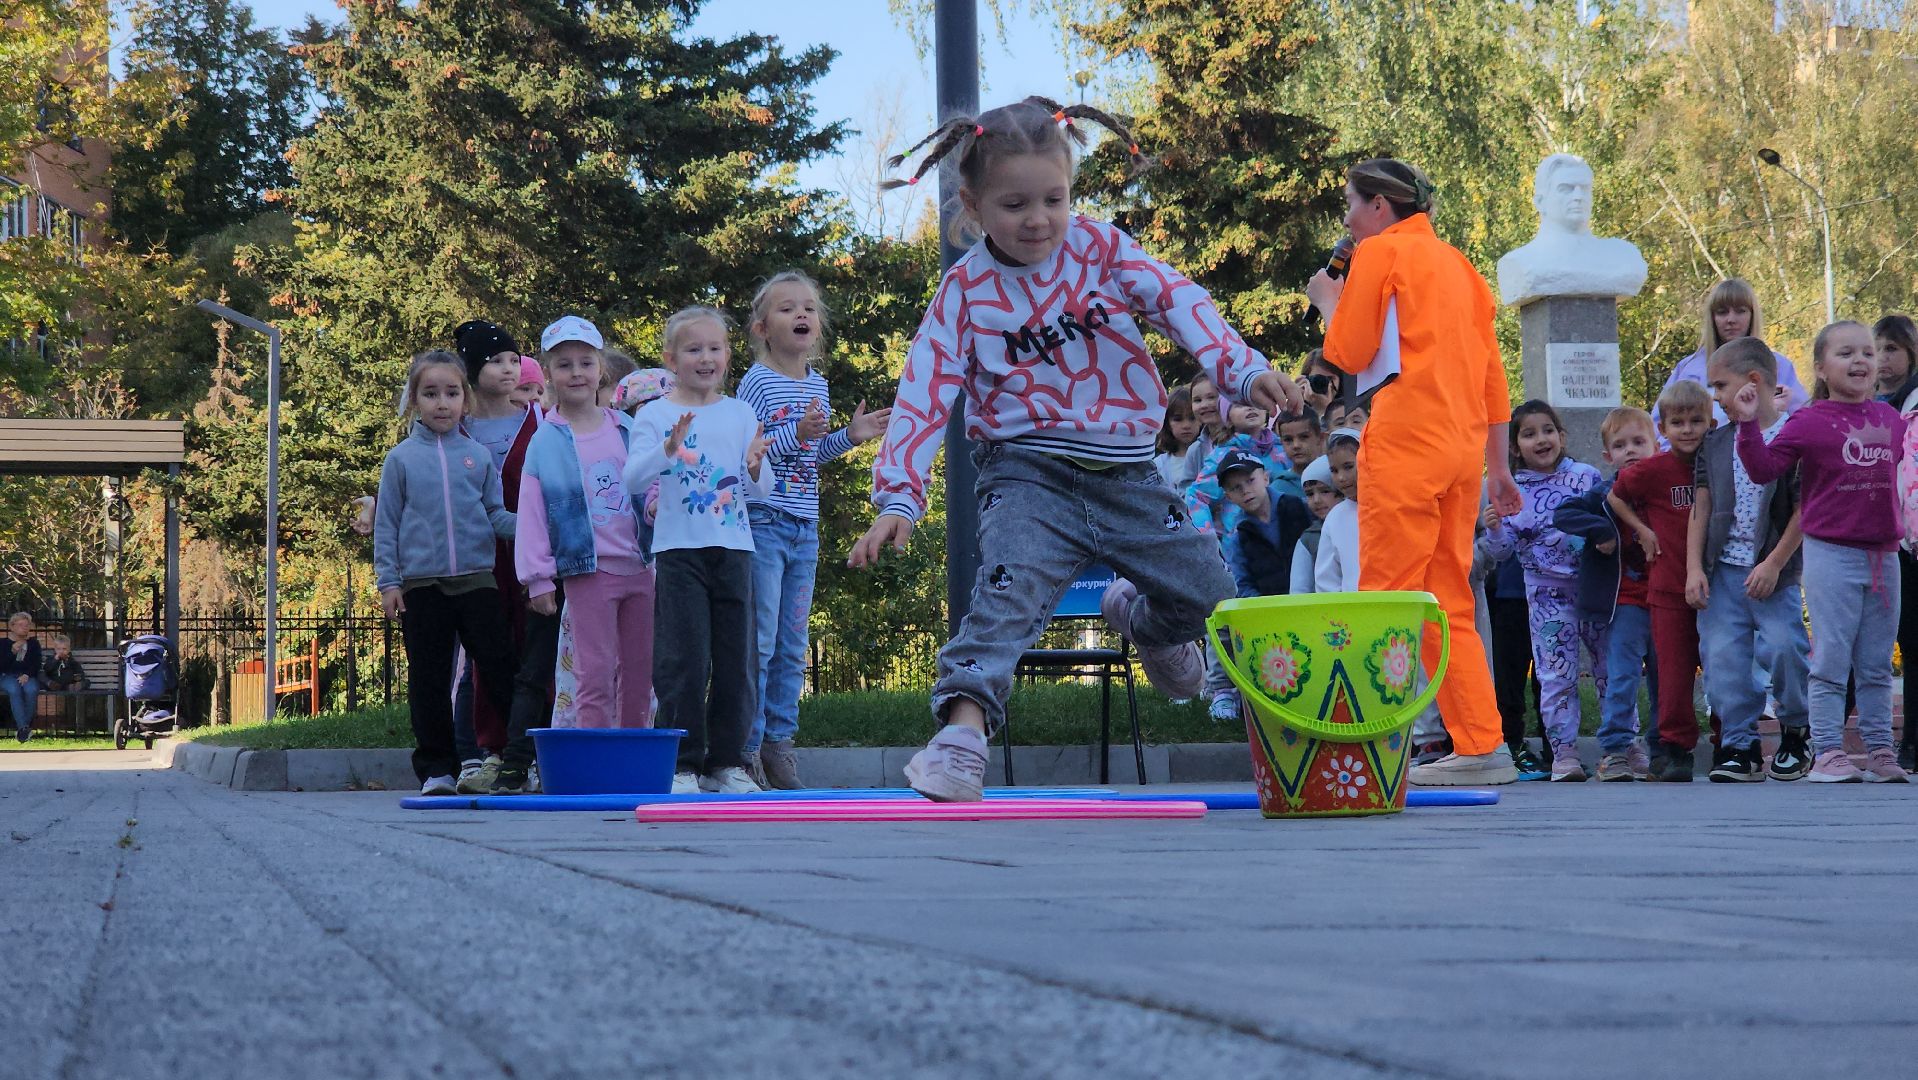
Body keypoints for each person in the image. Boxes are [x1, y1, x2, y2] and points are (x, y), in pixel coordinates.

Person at [850, 96, 1301, 802]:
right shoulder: (964, 293)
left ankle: (1146, 625)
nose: (1038, 219)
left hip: (1128, 473)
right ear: (972, 204)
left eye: (1053, 200)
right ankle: (961, 740)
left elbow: (1179, 301)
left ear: (1071, 191)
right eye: (1014, 204)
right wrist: (899, 499)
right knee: (1007, 593)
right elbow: (923, 394)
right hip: (1026, 474)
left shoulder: (1100, 249)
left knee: (1212, 594)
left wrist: (1241, 369)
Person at [1306, 157, 1521, 786]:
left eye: (1351, 204)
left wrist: (1328, 299)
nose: (1348, 218)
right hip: (1460, 451)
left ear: (1379, 205)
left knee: (1384, 599)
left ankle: (1365, 750)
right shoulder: (1460, 266)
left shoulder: (1380, 252)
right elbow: (1493, 379)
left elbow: (1349, 351)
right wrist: (1499, 468)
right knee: (1448, 601)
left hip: (1405, 443)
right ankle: (1482, 746)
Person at [738, 270, 891, 789]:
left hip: (804, 526)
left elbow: (811, 454)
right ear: (762, 328)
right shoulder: (756, 383)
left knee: (792, 643)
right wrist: (795, 432)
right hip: (764, 521)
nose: (801, 314)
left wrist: (850, 435)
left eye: (808, 308)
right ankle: (746, 749)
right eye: (787, 308)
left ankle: (780, 746)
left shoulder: (817, 384)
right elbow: (750, 456)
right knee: (760, 642)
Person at [1737, 321, 1906, 782]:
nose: (1860, 361)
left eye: (1867, 352)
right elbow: (1762, 469)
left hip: (1884, 555)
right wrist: (1748, 423)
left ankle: (1880, 751)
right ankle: (1828, 752)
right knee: (1831, 657)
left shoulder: (1891, 419)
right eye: (1845, 353)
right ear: (1820, 368)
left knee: (1876, 663)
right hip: (1831, 554)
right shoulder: (1808, 421)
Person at [625, 306, 774, 794]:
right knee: (683, 660)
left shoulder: (740, 413)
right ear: (671, 359)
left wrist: (755, 466)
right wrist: (668, 448)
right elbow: (632, 480)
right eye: (693, 349)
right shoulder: (654, 415)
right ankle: (682, 765)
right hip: (679, 552)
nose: (705, 358)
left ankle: (726, 763)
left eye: (714, 348)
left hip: (734, 550)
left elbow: (762, 490)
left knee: (736, 661)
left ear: (727, 355)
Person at [373, 351, 520, 795]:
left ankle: (520, 759)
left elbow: (496, 514)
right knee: (429, 679)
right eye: (431, 393)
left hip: (477, 581)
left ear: (465, 400)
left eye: (452, 393)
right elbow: (387, 524)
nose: (442, 403)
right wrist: (389, 582)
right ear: (414, 400)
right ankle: (437, 769)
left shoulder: (477, 456)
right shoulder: (400, 459)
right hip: (422, 586)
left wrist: (536, 528)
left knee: (499, 667)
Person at [515, 316, 655, 741]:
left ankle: (633, 757)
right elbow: (532, 512)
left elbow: (653, 485)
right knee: (594, 671)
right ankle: (595, 755)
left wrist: (659, 513)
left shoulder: (628, 429)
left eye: (585, 363)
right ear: (549, 374)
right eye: (564, 365)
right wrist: (537, 577)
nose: (576, 373)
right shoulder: (546, 440)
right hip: (588, 572)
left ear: (601, 369)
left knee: (640, 671)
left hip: (642, 568)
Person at [1691, 336, 1812, 782]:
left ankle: (1796, 730)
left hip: (1772, 571)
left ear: (1753, 381)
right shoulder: (1715, 443)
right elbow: (1701, 505)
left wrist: (1775, 563)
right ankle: (1739, 745)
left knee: (1784, 648)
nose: (1715, 397)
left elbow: (1804, 507)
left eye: (1720, 385)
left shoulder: (1794, 437)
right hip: (1723, 571)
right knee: (1723, 658)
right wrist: (1694, 567)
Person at [1481, 401, 1607, 781]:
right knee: (1556, 675)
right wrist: (1495, 528)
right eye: (1530, 433)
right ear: (1515, 446)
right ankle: (1564, 755)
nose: (1541, 439)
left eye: (1548, 430)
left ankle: (1620, 747)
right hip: (1546, 597)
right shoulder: (1510, 489)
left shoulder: (1586, 477)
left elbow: (1607, 519)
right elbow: (1502, 553)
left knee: (1609, 667)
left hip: (1594, 588)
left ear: (1561, 436)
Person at [549, 367, 676, 729]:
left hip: (649, 573)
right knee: (589, 668)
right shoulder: (613, 447)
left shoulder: (682, 455)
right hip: (596, 574)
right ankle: (580, 742)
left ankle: (633, 742)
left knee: (640, 669)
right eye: (647, 411)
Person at [449, 318, 540, 793]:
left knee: (538, 652)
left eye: (513, 359)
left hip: (535, 555)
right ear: (472, 370)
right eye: (495, 361)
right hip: (478, 559)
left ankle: (537, 752)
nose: (508, 369)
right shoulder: (455, 430)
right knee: (489, 655)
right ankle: (494, 753)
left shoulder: (541, 420)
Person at [1608, 381, 1713, 781]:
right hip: (1667, 584)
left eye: (1696, 421)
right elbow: (1615, 496)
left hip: (1715, 585)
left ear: (1710, 423)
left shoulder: (1718, 463)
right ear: (1663, 429)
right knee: (1672, 672)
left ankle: (1731, 742)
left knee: (1721, 666)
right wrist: (1642, 530)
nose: (1687, 430)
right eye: (1677, 423)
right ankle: (1674, 748)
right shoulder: (1653, 470)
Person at [1553, 407, 1659, 781]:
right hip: (1626, 602)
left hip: (1666, 600)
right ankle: (1615, 749)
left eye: (1638, 442)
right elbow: (1563, 514)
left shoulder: (1666, 490)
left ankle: (1661, 746)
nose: (1630, 450)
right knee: (1622, 676)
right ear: (1607, 456)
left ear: (1656, 445)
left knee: (1665, 679)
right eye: (1620, 445)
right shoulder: (1602, 494)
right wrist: (1602, 530)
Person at [1654, 279, 1809, 431]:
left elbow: (1804, 420)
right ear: (1712, 318)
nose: (1731, 319)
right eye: (1722, 312)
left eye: (1740, 311)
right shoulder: (1689, 368)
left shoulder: (1778, 365)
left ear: (1752, 315)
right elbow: (1659, 425)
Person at [1878, 314, 1918, 769]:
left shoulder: (1912, 403)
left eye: (1891, 349)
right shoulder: (1866, 404)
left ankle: (1910, 744)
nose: (1882, 359)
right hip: (1883, 537)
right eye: (1876, 350)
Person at [1218, 450, 1312, 599]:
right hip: (1271, 609)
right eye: (1236, 487)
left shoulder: (1300, 507)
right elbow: (1242, 584)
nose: (1245, 491)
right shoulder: (1237, 538)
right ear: (1228, 497)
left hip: (1315, 600)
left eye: (1250, 480)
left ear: (1266, 478)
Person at [1313, 429, 1362, 593]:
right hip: (1353, 608)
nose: (1341, 477)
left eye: (1348, 467)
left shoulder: (1392, 506)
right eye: (1334, 470)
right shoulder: (1336, 517)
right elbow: (1326, 582)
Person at [1287, 455, 1340, 595]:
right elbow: (1299, 591)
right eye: (1310, 494)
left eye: (1325, 491)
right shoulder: (1308, 540)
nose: (1316, 500)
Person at [2, 613, 42, 742]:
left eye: (27, 625)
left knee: (31, 689)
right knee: (14, 689)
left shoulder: (33, 643)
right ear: (12, 626)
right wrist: (12, 652)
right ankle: (24, 728)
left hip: (27, 676)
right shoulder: (3, 643)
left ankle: (23, 728)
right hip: (7, 676)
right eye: (21, 625)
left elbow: (36, 663)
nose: (25, 628)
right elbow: (1, 666)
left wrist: (27, 674)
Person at [1153, 384, 1200, 486]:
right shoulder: (1159, 466)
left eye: (1192, 418)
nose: (1186, 425)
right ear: (1167, 423)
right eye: (1178, 419)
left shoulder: (1212, 454)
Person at [1275, 408, 1326, 474]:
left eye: (1304, 437)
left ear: (1320, 438)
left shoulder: (1333, 477)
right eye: (1288, 439)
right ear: (1281, 442)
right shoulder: (1280, 480)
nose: (1296, 445)